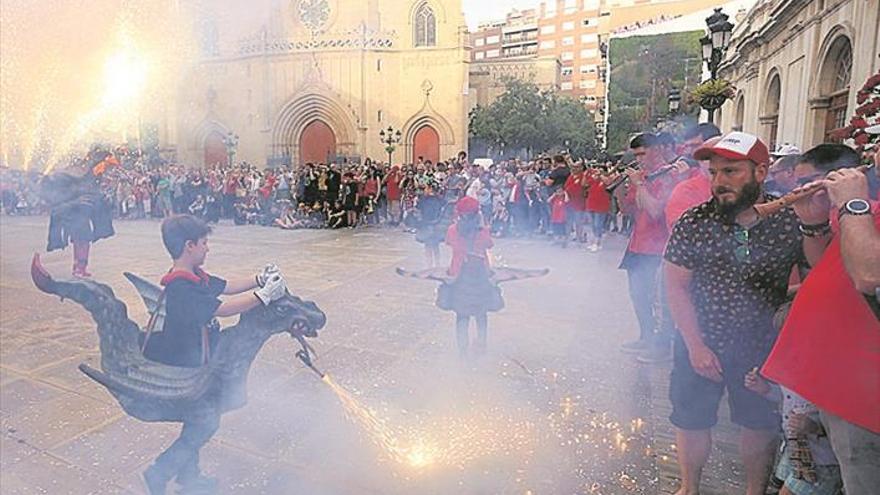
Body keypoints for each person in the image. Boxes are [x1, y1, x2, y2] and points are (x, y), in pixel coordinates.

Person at [663, 132, 808, 495]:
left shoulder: (789, 219)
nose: (719, 182)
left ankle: (754, 491)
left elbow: (816, 277)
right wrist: (695, 345)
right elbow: (675, 286)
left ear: (761, 171)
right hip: (699, 337)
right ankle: (688, 488)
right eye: (714, 173)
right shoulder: (695, 221)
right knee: (691, 417)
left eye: (731, 171)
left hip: (761, 344)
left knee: (758, 424)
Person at [760, 143, 880, 495]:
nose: (873, 153)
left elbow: (869, 276)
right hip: (830, 379)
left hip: (864, 395)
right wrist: (812, 222)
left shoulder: (858, 206)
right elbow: (827, 263)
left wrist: (851, 204)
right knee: (809, 479)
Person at [141, 215, 288, 494]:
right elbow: (223, 308)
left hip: (201, 355)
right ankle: (157, 473)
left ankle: (189, 477)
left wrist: (260, 279)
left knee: (197, 417)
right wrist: (265, 296)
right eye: (204, 243)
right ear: (189, 246)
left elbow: (228, 286)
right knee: (204, 421)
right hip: (184, 365)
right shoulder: (181, 287)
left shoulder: (194, 276)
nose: (208, 248)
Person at [442, 197, 503, 357]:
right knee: (481, 313)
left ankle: (463, 352)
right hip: (480, 275)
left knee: (462, 316)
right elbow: (489, 245)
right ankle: (481, 345)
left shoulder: (452, 230)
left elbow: (450, 245)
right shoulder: (483, 232)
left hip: (458, 276)